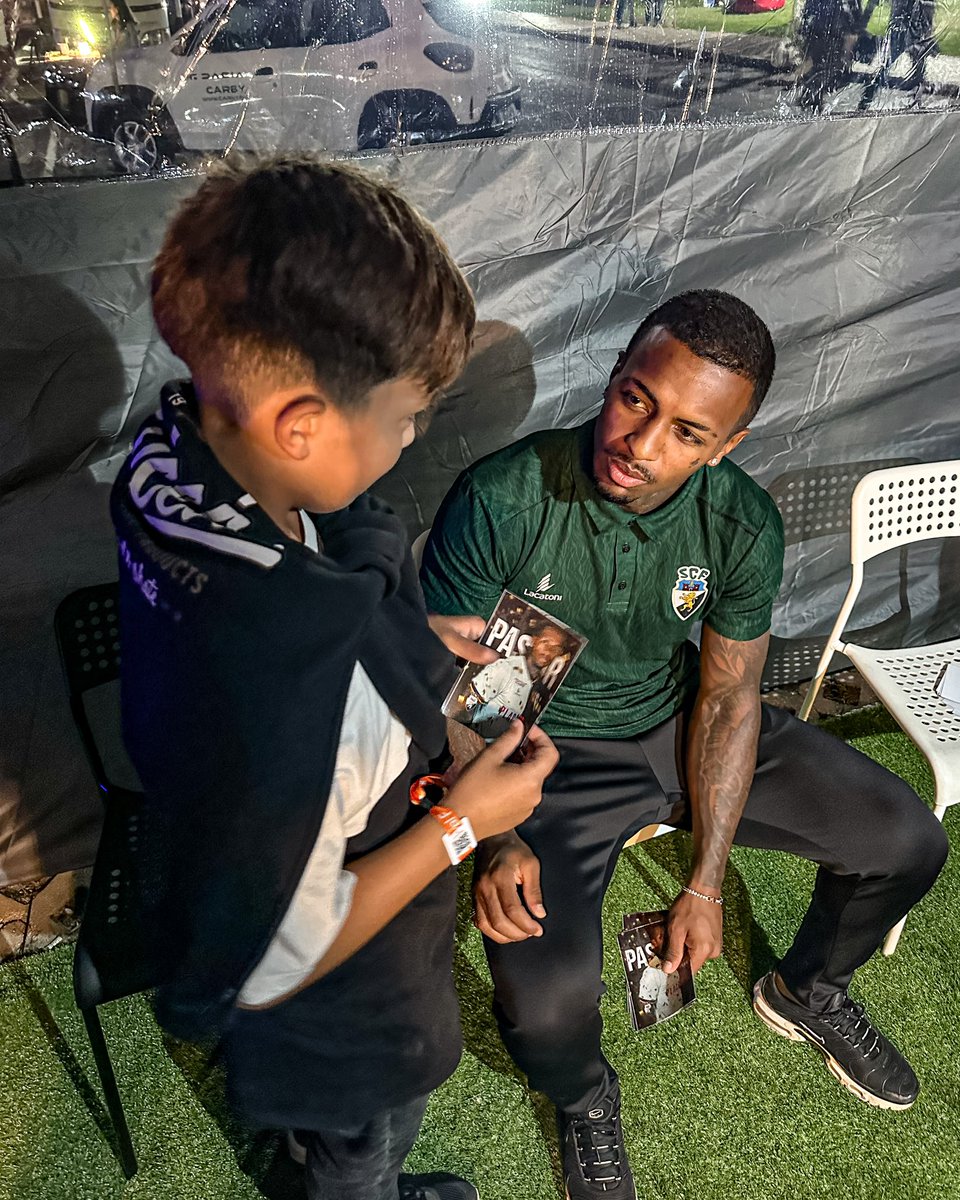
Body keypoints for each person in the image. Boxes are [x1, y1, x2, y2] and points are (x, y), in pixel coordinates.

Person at [420, 289, 949, 1200]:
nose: (643, 444)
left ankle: (806, 991)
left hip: (683, 731)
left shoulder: (740, 521)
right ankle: (585, 1099)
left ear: (727, 444)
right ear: (618, 374)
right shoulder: (502, 497)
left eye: (688, 433)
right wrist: (494, 835)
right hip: (546, 759)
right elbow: (455, 694)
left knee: (907, 841)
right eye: (636, 399)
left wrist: (704, 881)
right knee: (547, 1009)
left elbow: (732, 694)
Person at [110, 155, 558, 1200]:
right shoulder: (300, 696)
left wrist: (392, 629)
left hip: (200, 837)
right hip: (338, 1008)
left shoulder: (170, 453)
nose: (409, 439)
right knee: (362, 1143)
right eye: (404, 417)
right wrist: (466, 822)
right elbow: (281, 954)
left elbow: (303, 559)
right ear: (300, 424)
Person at [464, 622, 567, 739]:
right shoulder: (505, 668)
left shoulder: (541, 688)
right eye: (545, 642)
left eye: (555, 649)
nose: (548, 651)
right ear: (534, 641)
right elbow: (465, 706)